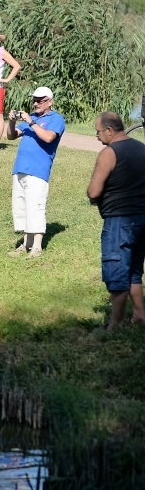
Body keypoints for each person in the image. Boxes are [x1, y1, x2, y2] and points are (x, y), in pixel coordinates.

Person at [87, 111, 145, 331]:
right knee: (134, 270)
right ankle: (139, 313)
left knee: (117, 270)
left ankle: (115, 324)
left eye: (98, 131)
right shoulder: (141, 148)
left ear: (110, 130)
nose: (97, 136)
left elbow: (94, 191)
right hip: (142, 218)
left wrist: (93, 197)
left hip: (119, 220)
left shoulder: (109, 153)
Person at [6, 86, 65, 258]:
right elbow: (11, 136)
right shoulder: (31, 117)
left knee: (35, 207)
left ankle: (37, 247)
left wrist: (31, 122)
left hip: (38, 169)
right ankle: (26, 244)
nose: (36, 103)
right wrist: (11, 122)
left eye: (40, 100)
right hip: (20, 168)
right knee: (22, 207)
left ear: (50, 102)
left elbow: (48, 137)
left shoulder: (56, 119)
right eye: (34, 100)